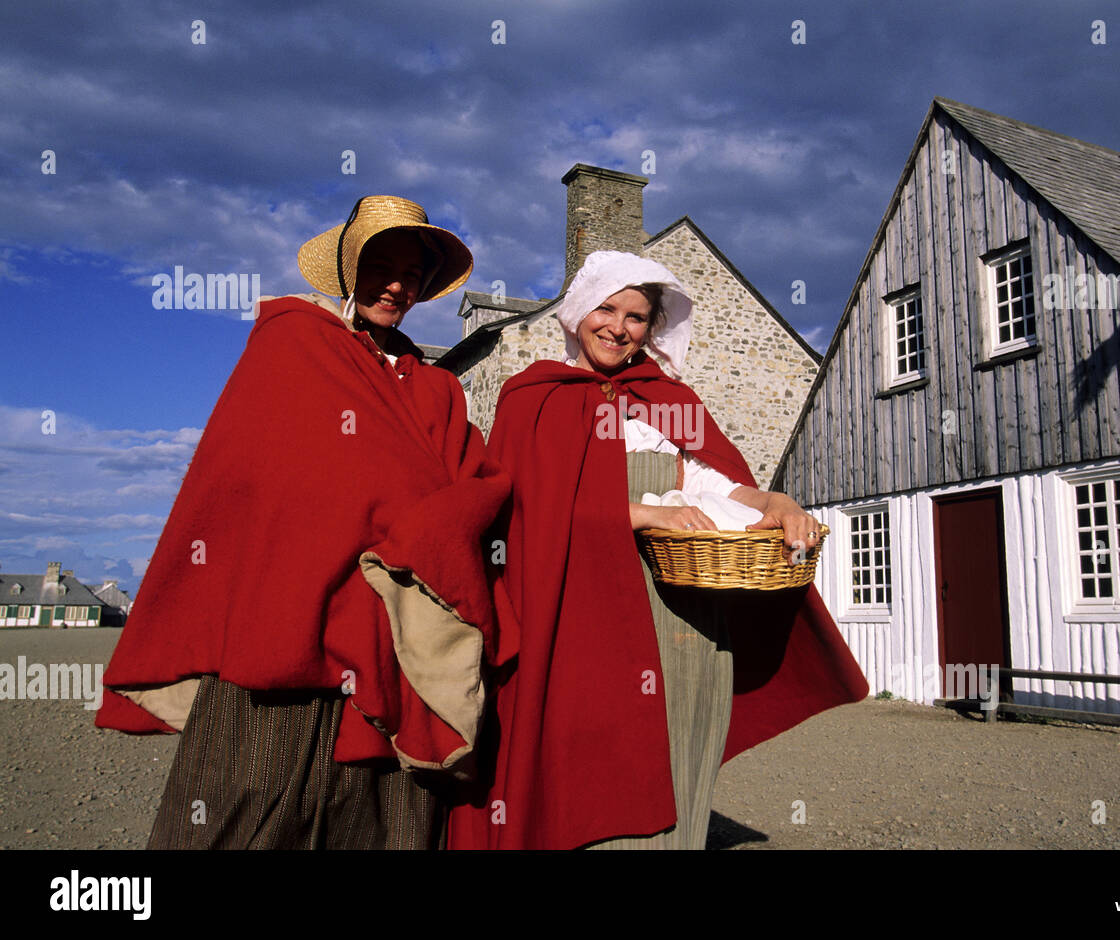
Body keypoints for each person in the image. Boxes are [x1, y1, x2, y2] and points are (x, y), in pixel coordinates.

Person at [96, 195, 511, 849]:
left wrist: (421, 525)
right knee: (243, 809)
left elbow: (468, 489)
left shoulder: (436, 389)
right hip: (285, 632)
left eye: (413, 273)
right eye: (382, 264)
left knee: (385, 824)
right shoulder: (294, 343)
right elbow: (252, 483)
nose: (398, 284)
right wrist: (378, 503)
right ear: (350, 269)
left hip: (391, 635)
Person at [449, 250, 869, 850]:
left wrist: (772, 501)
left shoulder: (667, 398)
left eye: (637, 317)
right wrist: (641, 513)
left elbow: (710, 482)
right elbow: (519, 514)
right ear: (578, 309)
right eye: (607, 308)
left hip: (680, 614)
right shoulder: (532, 394)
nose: (619, 327)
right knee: (591, 751)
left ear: (654, 327)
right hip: (580, 607)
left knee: (678, 739)